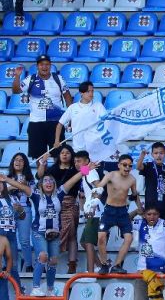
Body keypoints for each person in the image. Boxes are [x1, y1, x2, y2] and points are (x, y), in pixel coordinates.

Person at [13, 55, 73, 162]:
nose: (44, 67)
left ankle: (57, 177)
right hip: (36, 123)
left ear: (50, 66)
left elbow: (67, 97)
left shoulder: (58, 79)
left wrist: (72, 116)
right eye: (41, 64)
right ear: (37, 66)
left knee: (59, 154)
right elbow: (16, 91)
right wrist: (17, 76)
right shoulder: (30, 79)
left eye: (47, 64)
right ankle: (41, 178)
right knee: (39, 157)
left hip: (56, 123)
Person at [94, 154, 143, 275]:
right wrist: (86, 169)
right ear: (119, 165)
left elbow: (135, 194)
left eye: (130, 166)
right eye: (125, 165)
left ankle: (117, 265)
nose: (127, 168)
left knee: (129, 238)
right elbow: (98, 186)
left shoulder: (132, 179)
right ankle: (104, 264)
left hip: (122, 212)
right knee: (100, 237)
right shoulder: (111, 175)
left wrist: (141, 208)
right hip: (109, 210)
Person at [38, 144, 81, 274]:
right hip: (53, 205)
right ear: (58, 155)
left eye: (67, 152)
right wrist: (43, 162)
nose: (64, 154)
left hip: (71, 204)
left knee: (72, 234)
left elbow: (85, 171)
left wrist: (86, 165)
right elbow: (40, 176)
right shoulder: (52, 170)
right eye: (62, 152)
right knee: (53, 233)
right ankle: (48, 261)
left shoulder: (76, 169)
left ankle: (72, 264)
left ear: (71, 155)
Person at [55, 81, 105, 154]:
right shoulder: (73, 107)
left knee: (93, 166)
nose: (91, 94)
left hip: (95, 148)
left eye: (92, 91)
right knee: (81, 166)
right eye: (88, 91)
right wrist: (57, 140)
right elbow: (60, 124)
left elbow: (107, 121)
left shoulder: (98, 106)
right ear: (81, 93)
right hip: (78, 149)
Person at [135, 198, 165, 276]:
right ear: (144, 215)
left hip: (159, 270)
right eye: (149, 214)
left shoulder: (164, 225)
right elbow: (125, 220)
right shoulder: (140, 224)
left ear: (158, 215)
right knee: (139, 289)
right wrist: (136, 211)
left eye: (155, 214)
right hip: (142, 270)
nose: (152, 216)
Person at [6, 153, 34, 274]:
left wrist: (24, 185)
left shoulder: (29, 179)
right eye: (16, 160)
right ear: (12, 162)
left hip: (25, 209)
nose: (18, 162)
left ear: (25, 164)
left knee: (24, 240)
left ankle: (28, 265)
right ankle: (12, 266)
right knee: (9, 239)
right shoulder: (6, 177)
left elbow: (32, 194)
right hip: (9, 210)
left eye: (21, 160)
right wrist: (13, 185)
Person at [137, 143, 165, 221]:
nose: (158, 156)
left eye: (161, 153)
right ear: (152, 155)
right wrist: (142, 156)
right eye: (156, 153)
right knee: (151, 230)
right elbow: (138, 167)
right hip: (151, 208)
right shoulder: (148, 166)